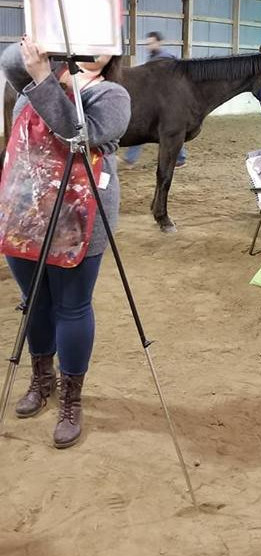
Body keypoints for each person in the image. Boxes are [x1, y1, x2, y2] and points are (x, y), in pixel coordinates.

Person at [0, 37, 131, 447]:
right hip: (27, 212)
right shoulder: (38, 75)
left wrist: (43, 77)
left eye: (104, 40)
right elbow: (9, 58)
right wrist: (46, 35)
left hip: (80, 217)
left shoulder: (112, 94)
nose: (95, 46)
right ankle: (43, 378)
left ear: (115, 53)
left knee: (71, 306)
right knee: (35, 301)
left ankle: (71, 398)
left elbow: (77, 135)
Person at [123, 31, 187, 167]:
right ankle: (180, 159)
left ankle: (130, 159)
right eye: (147, 44)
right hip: (157, 100)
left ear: (159, 43)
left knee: (167, 128)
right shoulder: (155, 59)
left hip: (166, 100)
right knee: (166, 128)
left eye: (151, 43)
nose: (148, 46)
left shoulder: (164, 59)